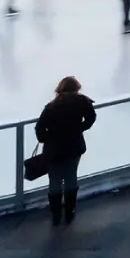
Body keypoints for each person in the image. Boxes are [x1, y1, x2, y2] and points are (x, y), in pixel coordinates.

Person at [34, 77, 96, 225]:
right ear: (76, 89)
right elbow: (91, 117)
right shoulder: (82, 102)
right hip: (74, 146)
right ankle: (70, 212)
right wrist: (79, 128)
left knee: (54, 180)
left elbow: (39, 128)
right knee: (71, 176)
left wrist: (48, 138)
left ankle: (56, 214)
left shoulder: (51, 107)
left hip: (54, 149)